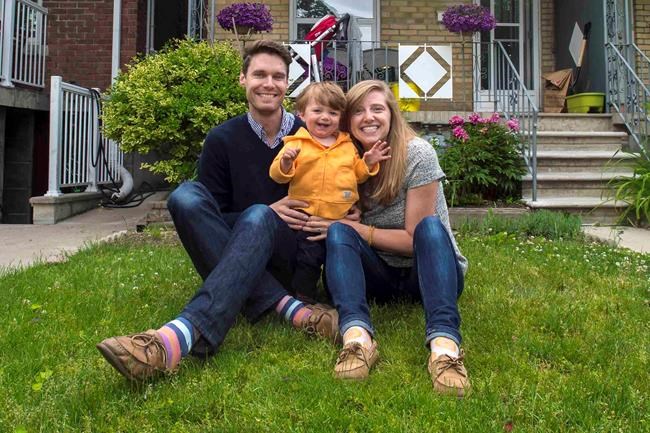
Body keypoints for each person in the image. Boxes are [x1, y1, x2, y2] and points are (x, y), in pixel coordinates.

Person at [96, 40, 342, 382]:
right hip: (232, 249)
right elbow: (210, 219)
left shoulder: (312, 135)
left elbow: (343, 187)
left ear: (288, 83)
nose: (268, 84)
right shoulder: (221, 139)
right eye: (259, 74)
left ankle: (175, 338)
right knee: (186, 197)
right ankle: (288, 308)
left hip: (290, 256)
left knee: (259, 215)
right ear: (243, 79)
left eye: (277, 76)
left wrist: (344, 217)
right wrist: (266, 212)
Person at [323, 80, 470, 397]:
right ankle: (357, 339)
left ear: (391, 114)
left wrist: (361, 230)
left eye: (377, 109)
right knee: (337, 231)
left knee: (428, 227)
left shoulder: (418, 154)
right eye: (358, 111)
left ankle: (444, 347)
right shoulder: (344, 159)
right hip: (380, 276)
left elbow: (411, 240)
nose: (368, 117)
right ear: (348, 120)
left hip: (429, 272)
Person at [269, 81, 390, 302]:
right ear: (302, 114)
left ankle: (338, 291)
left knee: (337, 256)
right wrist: (286, 162)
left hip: (339, 217)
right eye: (317, 111)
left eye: (333, 113)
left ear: (340, 117)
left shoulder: (346, 146)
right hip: (307, 217)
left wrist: (368, 162)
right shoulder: (296, 144)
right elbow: (277, 175)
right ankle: (303, 296)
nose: (325, 117)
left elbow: (357, 175)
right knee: (308, 256)